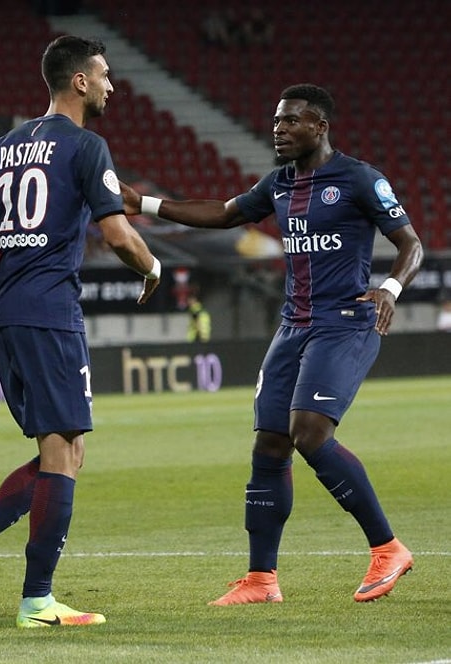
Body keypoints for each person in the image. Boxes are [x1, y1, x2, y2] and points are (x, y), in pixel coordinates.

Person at [0, 35, 161, 628]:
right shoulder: (88, 147)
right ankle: (35, 598)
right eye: (106, 74)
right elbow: (118, 235)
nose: (113, 85)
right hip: (49, 312)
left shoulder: (3, 147)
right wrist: (153, 266)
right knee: (63, 452)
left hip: (10, 312)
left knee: (64, 449)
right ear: (81, 81)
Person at [120, 84, 423, 605]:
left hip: (345, 321)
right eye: (277, 121)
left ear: (320, 126)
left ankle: (387, 547)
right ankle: (262, 580)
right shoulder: (279, 184)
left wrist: (390, 289)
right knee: (270, 444)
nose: (279, 130)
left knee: (308, 432)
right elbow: (223, 212)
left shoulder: (359, 179)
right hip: (294, 324)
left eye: (292, 121)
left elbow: (410, 243)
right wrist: (143, 203)